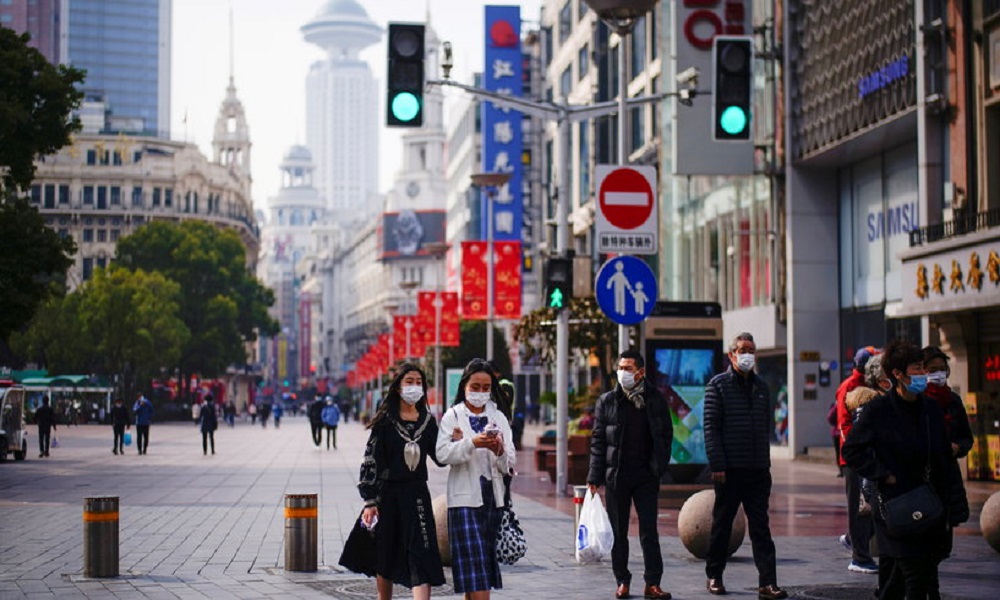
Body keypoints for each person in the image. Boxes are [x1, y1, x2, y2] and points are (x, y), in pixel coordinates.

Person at [842, 339, 969, 600]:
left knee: (907, 580)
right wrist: (883, 474)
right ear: (898, 374)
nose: (923, 374)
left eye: (923, 367)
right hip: (894, 506)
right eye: (917, 369)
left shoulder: (930, 408)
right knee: (913, 578)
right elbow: (851, 450)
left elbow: (942, 458)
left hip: (929, 504)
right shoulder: (878, 410)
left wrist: (952, 504)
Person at [346, 363, 445, 599]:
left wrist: (454, 441)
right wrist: (370, 501)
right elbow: (371, 460)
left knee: (423, 552)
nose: (414, 387)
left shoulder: (428, 421)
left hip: (418, 494)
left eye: (419, 382)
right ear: (398, 387)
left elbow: (440, 457)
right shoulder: (385, 421)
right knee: (386, 554)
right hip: (388, 495)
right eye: (409, 382)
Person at [703, 332, 787, 599]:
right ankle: (714, 575)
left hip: (757, 470)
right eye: (743, 350)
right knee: (722, 526)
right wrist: (718, 464)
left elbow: (764, 429)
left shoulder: (761, 386)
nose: (747, 355)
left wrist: (765, 463)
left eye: (751, 350)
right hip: (729, 470)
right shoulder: (718, 385)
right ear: (732, 355)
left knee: (761, 528)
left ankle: (768, 583)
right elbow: (711, 428)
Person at [587, 349, 673, 600]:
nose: (623, 372)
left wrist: (658, 466)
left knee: (649, 532)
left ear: (640, 372)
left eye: (628, 368)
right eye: (621, 368)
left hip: (646, 476)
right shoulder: (607, 401)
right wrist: (594, 477)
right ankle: (622, 580)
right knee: (618, 532)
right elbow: (598, 441)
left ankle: (653, 583)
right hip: (617, 476)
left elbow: (666, 436)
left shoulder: (655, 399)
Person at [436, 359, 515, 599]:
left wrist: (499, 450)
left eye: (485, 387)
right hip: (463, 500)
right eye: (475, 386)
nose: (480, 392)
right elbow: (442, 454)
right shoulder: (452, 416)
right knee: (474, 563)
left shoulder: (499, 417)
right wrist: (471, 443)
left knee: (480, 565)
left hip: (492, 498)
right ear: (465, 386)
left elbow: (510, 461)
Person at [836, 346, 880, 574]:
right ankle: (860, 557)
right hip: (856, 459)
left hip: (872, 456)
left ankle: (853, 540)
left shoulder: (874, 386)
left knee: (874, 507)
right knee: (860, 508)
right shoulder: (850, 386)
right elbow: (844, 424)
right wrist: (856, 451)